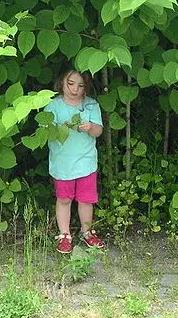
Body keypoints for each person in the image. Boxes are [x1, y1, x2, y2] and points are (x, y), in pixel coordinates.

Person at [44, 68, 106, 254]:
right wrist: (58, 127)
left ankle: (87, 232)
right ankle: (64, 235)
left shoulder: (90, 105)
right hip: (62, 163)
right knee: (63, 199)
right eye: (70, 83)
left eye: (80, 85)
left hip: (86, 162)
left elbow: (98, 131)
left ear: (85, 88)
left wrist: (90, 127)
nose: (74, 89)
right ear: (61, 83)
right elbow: (45, 131)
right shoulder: (52, 106)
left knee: (86, 200)